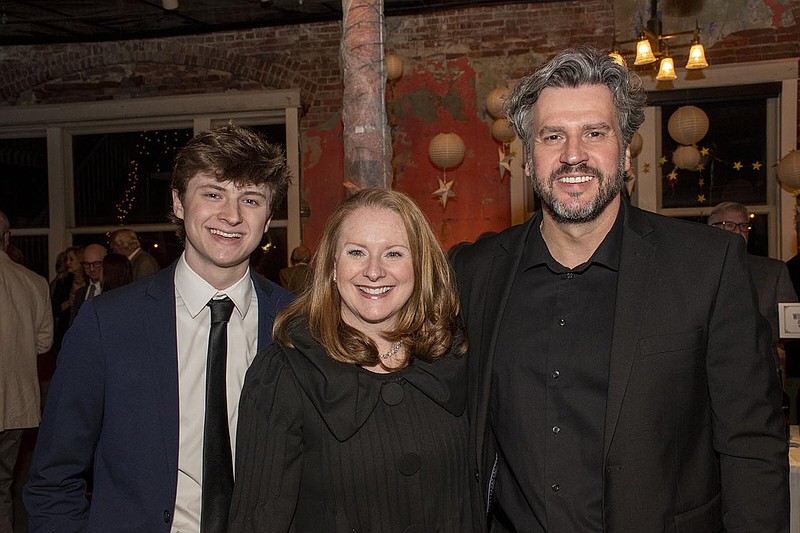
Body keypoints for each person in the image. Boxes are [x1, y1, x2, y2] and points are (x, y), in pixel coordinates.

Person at [451, 46, 788, 532]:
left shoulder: (707, 266)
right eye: (552, 136)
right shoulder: (475, 271)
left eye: (594, 132)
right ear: (526, 159)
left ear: (626, 150)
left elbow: (752, 444)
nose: (573, 154)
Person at [24, 123, 294, 533]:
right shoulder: (108, 324)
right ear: (179, 202)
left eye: (251, 199)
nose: (232, 215)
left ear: (268, 217)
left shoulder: (297, 324)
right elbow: (53, 477)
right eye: (213, 193)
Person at [229, 188, 473, 532]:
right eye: (356, 252)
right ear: (332, 265)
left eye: (394, 253)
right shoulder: (285, 373)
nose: (374, 271)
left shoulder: (451, 355)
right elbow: (256, 522)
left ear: (419, 266)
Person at [0, 210, 53, 533]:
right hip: (17, 405)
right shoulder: (34, 283)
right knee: (4, 486)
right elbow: (44, 343)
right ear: (6, 240)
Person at [707, 201, 797, 377]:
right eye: (729, 225)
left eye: (743, 226)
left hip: (763, 372)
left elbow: (792, 325)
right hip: (711, 374)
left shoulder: (774, 271)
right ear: (711, 229)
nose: (738, 231)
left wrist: (749, 332)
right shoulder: (697, 273)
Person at [69, 243, 106, 325]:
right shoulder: (80, 293)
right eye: (87, 264)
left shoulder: (111, 291)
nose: (92, 269)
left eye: (96, 263)